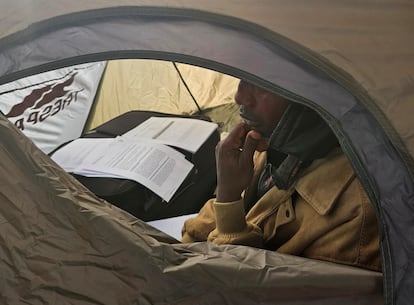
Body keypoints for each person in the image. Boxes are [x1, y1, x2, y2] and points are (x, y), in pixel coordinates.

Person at [181, 80, 381, 272]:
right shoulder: (274, 141)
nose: (240, 97)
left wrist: (228, 198)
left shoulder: (357, 214)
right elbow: (198, 232)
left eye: (263, 84)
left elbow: (240, 289)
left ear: (314, 94)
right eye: (243, 77)